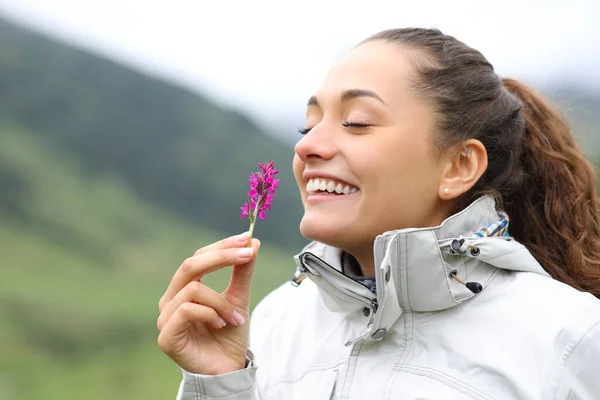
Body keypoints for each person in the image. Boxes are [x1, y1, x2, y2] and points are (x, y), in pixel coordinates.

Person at [157, 28, 600, 399]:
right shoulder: (274, 323)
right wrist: (218, 383)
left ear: (459, 166)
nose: (306, 146)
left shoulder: (570, 338)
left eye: (357, 122)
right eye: (307, 126)